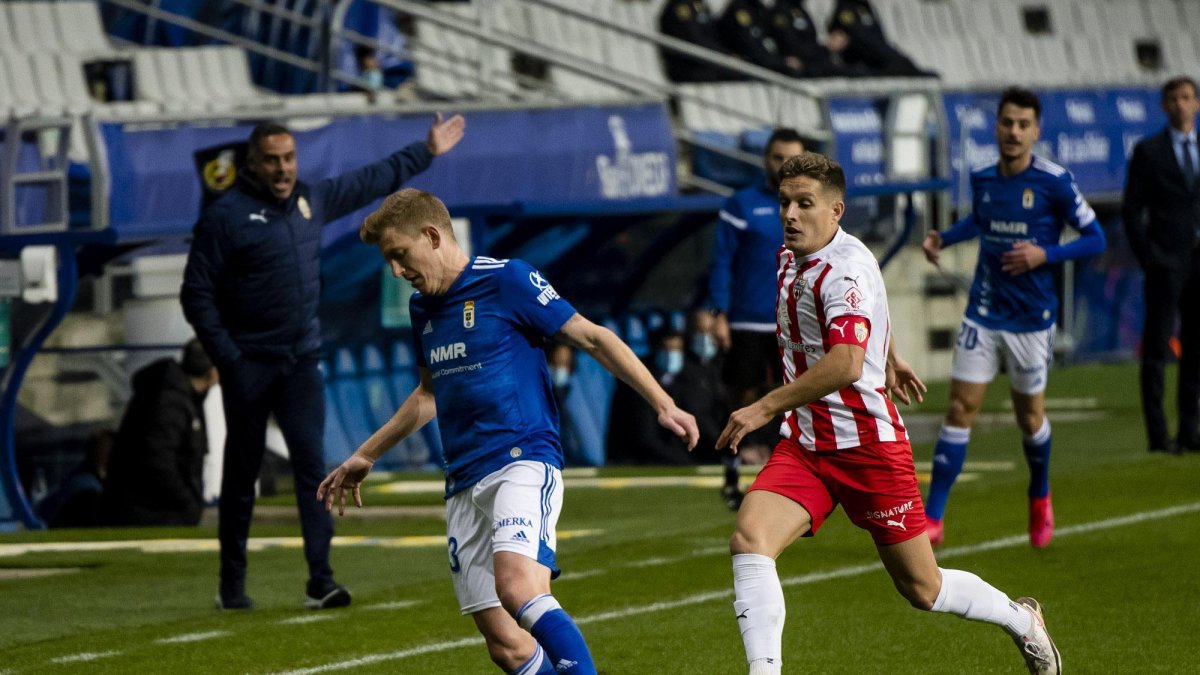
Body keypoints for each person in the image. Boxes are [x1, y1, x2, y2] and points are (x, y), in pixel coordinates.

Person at [317, 189, 699, 674]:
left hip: (521, 459)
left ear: (432, 236)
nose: (396, 271)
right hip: (462, 479)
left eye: (399, 255)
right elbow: (427, 394)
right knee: (507, 645)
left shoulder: (509, 280)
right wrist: (366, 454)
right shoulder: (423, 310)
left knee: (518, 587)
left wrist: (663, 403)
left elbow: (592, 337)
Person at [719, 152, 1061, 675]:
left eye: (804, 204)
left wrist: (762, 406)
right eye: (785, 202)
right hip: (808, 444)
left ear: (836, 211)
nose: (790, 214)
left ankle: (1021, 620)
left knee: (924, 589)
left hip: (867, 447)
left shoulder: (846, 269)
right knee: (750, 537)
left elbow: (846, 362)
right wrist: (893, 353)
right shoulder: (792, 254)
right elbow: (865, 316)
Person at [181, 113, 466, 611]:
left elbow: (372, 180)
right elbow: (195, 294)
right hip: (248, 364)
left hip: (299, 362)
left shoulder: (310, 201)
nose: (283, 168)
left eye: (289, 158)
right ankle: (232, 584)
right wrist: (229, 356)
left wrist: (426, 151)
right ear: (252, 162)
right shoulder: (224, 216)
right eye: (272, 160)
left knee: (313, 467)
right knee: (240, 472)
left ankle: (321, 579)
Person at [920, 87, 1106, 549]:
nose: (1014, 132)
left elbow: (1096, 238)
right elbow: (980, 222)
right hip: (984, 311)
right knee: (961, 408)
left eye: (1023, 125)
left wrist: (1048, 253)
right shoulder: (984, 179)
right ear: (997, 126)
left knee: (1030, 418)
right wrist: (944, 237)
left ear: (1035, 131)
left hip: (1031, 318)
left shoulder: (1055, 182)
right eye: (1007, 123)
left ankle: (1040, 493)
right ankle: (933, 518)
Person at [705, 128, 805, 509]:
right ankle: (730, 476)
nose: (784, 165)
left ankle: (788, 480)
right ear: (766, 159)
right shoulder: (742, 204)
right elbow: (722, 260)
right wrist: (718, 312)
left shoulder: (810, 206)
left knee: (795, 402)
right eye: (778, 157)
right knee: (740, 399)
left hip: (793, 322)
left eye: (792, 159)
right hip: (748, 319)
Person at [1122, 76, 1200, 455]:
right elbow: (1131, 208)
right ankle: (1158, 435)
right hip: (1165, 262)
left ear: (1197, 104)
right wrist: (1149, 257)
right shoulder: (1149, 151)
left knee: (1195, 349)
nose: (1180, 104)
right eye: (1173, 98)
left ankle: (1191, 430)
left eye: (1186, 97)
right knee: (1156, 350)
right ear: (1163, 106)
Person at [104, 339, 218, 527]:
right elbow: (158, 461)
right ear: (212, 372)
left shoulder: (177, 395)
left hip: (150, 509)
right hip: (151, 514)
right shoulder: (171, 400)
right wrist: (188, 501)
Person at [608, 327, 707, 466]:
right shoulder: (638, 382)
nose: (671, 355)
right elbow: (644, 436)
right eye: (666, 349)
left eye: (676, 350)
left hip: (677, 453)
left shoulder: (691, 379)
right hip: (638, 458)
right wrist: (682, 461)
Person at [825, 0, 933, 77]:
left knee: (903, 64)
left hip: (876, 57)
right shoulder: (845, 8)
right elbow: (860, 38)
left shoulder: (864, 6)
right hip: (863, 62)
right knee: (898, 65)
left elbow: (878, 37)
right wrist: (887, 55)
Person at [659, 0, 742, 83]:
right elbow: (694, 39)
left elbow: (714, 36)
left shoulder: (700, 4)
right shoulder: (680, 6)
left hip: (705, 61)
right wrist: (726, 56)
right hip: (688, 67)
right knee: (741, 74)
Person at [717, 0, 803, 77]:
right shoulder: (739, 10)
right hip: (748, 65)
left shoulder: (759, 8)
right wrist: (781, 62)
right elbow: (751, 48)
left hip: (766, 59)